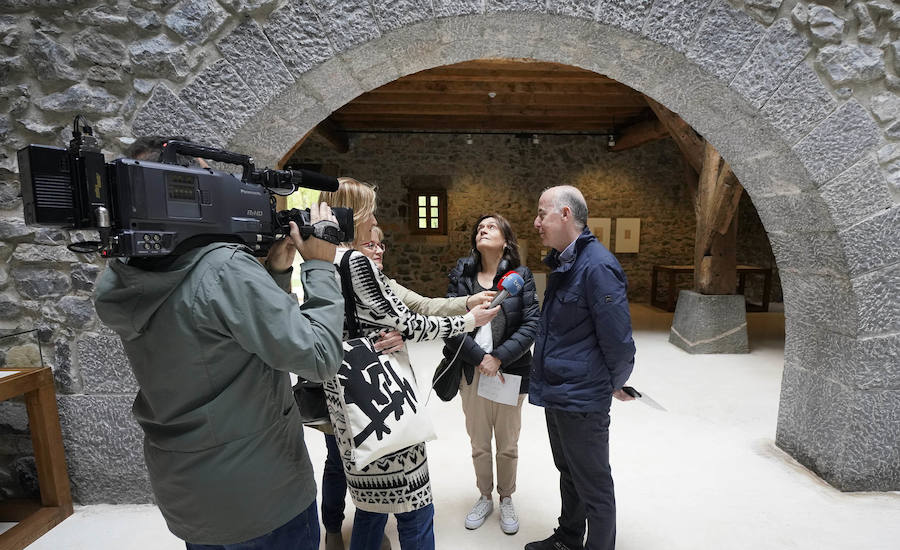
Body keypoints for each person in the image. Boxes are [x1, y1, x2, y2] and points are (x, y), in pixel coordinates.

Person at [94, 138, 346, 549]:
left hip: (190, 494)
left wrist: (276, 276)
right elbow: (318, 358)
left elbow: (219, 337)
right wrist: (318, 265)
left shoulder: (122, 276)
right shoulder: (224, 269)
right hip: (262, 496)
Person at [318, 178, 499, 550]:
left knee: (370, 506)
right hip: (383, 402)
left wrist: (460, 305)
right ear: (352, 214)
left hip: (352, 404)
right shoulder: (356, 263)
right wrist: (469, 321)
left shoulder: (323, 261)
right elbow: (410, 322)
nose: (374, 221)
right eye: (369, 211)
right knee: (417, 512)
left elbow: (399, 312)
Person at [525, 186, 636, 550]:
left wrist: (613, 383)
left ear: (566, 215)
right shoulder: (565, 261)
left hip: (582, 396)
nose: (537, 222)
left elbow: (619, 342)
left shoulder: (597, 266)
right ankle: (569, 537)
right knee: (570, 473)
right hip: (560, 389)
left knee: (594, 484)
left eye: (543, 214)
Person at [443, 213, 539, 535]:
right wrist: (480, 358)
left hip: (509, 374)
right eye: (480, 227)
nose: (483, 229)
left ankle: (506, 497)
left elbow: (530, 326)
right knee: (479, 442)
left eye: (491, 227)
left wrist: (497, 358)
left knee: (508, 444)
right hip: (472, 373)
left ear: (506, 240)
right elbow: (450, 325)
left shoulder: (520, 276)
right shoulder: (462, 274)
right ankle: (484, 495)